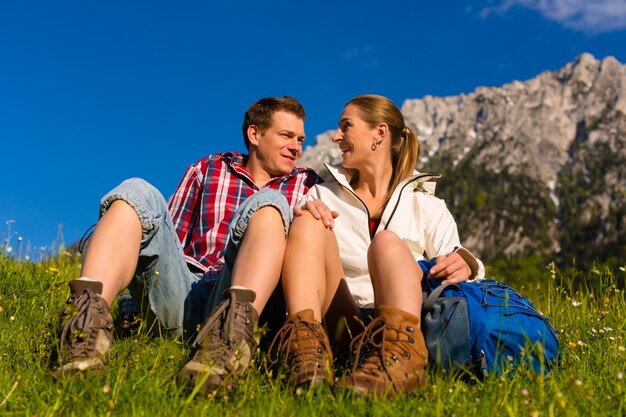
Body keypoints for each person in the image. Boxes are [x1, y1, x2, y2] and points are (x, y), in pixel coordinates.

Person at [52, 96, 331, 395]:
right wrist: (132, 313)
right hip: (185, 293)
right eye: (286, 136)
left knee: (271, 203)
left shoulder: (308, 184)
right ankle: (84, 331)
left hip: (244, 302)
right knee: (137, 190)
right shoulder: (208, 168)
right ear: (255, 134)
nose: (296, 147)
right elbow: (161, 239)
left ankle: (229, 346)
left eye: (300, 139)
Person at [269, 94, 484, 397]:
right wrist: (305, 218)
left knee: (386, 242)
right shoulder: (322, 195)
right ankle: (307, 353)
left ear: (379, 133)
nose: (336, 136)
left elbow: (460, 264)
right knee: (308, 221)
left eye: (346, 126)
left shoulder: (427, 205)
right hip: (342, 319)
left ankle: (400, 361)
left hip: (404, 321)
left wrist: (467, 262)